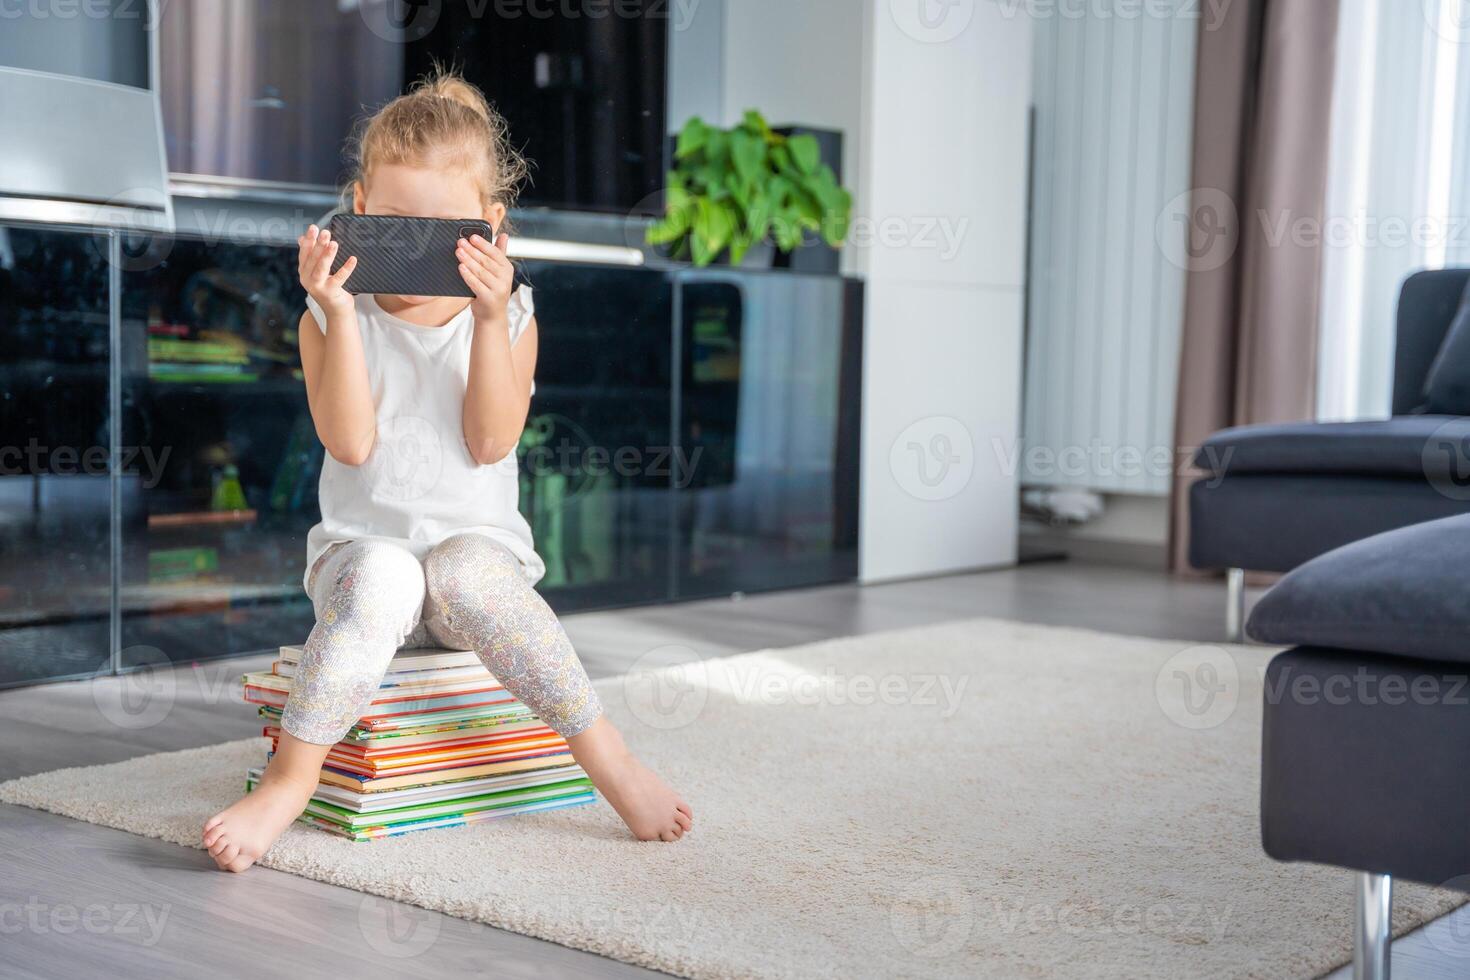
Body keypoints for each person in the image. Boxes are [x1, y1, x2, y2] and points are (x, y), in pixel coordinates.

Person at [202, 72, 691, 871]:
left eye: (442, 232)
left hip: (475, 568)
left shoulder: (517, 315)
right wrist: (339, 313)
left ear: (490, 226)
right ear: (358, 209)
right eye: (395, 227)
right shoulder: (327, 317)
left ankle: (612, 760)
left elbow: (491, 441)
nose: (418, 250)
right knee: (390, 575)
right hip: (365, 562)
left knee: (465, 571)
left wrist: (492, 317)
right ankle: (291, 780)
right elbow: (351, 443)